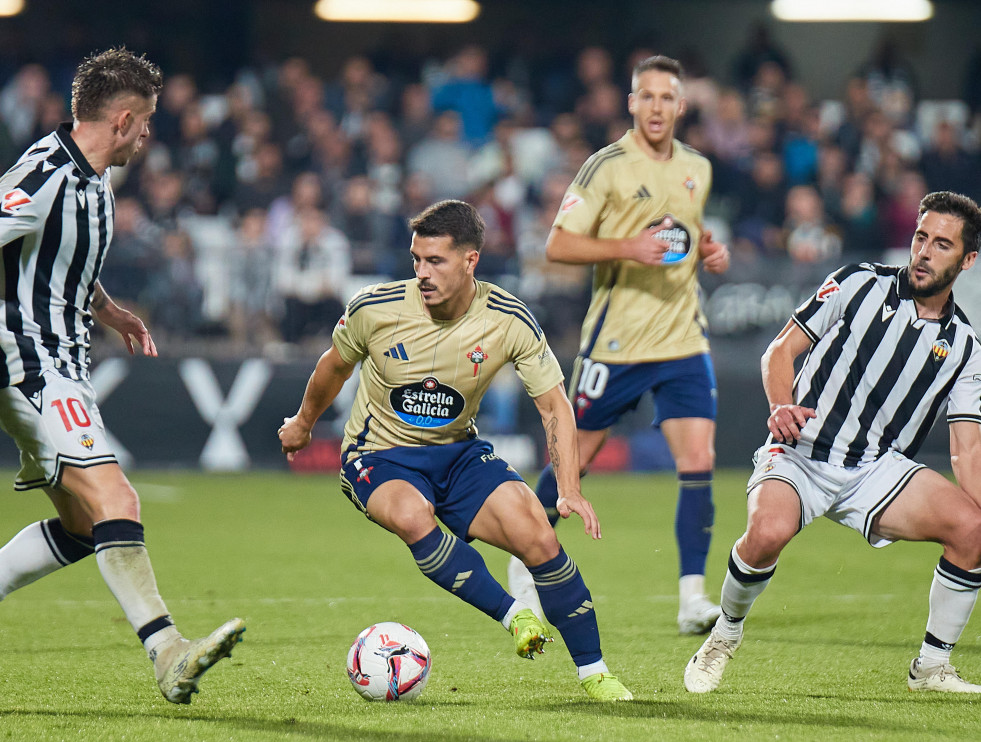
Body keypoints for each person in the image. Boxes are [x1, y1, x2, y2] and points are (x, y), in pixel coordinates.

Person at [278, 199, 632, 701]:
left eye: (436, 261)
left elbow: (555, 406)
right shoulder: (374, 309)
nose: (422, 273)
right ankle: (515, 616)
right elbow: (332, 367)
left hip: (459, 453)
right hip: (378, 455)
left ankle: (595, 672)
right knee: (411, 512)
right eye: (417, 260)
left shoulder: (508, 319)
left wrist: (569, 489)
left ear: (471, 261)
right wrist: (303, 423)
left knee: (537, 534)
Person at [0, 48, 244, 705]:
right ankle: (167, 649)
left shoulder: (95, 181)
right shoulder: (45, 173)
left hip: (58, 361)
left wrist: (108, 311)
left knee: (84, 529)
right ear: (125, 118)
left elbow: (60, 262)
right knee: (118, 501)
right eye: (147, 124)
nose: (148, 136)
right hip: (32, 364)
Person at [684, 191, 981, 694]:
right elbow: (779, 351)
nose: (925, 252)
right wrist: (781, 405)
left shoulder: (966, 349)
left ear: (968, 260)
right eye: (920, 237)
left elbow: (967, 450)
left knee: (972, 530)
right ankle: (724, 634)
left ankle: (931, 667)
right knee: (767, 532)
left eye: (943, 245)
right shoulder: (858, 283)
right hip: (802, 451)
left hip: (874, 468)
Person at [506, 55, 731, 635]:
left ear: (682, 107)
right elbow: (557, 245)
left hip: (683, 337)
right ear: (631, 104)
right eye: (646, 97)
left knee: (699, 461)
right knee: (575, 459)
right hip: (616, 342)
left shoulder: (697, 169)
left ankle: (691, 598)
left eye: (667, 98)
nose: (656, 107)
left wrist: (708, 248)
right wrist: (628, 248)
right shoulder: (604, 167)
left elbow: (687, 227)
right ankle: (524, 557)